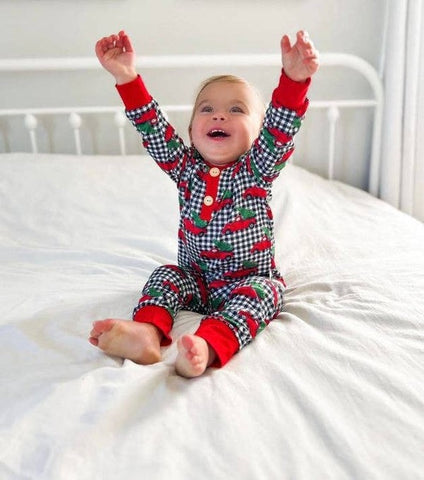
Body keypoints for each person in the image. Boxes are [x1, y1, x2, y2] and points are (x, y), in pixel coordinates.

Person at [89, 30, 319, 377]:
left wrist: (294, 80)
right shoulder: (185, 170)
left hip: (248, 280)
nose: (219, 116)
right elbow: (153, 129)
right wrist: (127, 77)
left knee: (266, 294)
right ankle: (147, 333)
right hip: (195, 281)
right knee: (165, 275)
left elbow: (280, 129)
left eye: (236, 109)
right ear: (192, 130)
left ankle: (206, 346)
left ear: (258, 134)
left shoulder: (256, 169)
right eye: (206, 109)